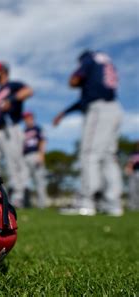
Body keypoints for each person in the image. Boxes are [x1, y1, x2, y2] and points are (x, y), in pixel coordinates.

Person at [53, 50, 123, 216]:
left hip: (99, 109)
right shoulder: (106, 61)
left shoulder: (90, 59)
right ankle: (113, 204)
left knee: (89, 153)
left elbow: (74, 80)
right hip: (114, 108)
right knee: (108, 156)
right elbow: (85, 99)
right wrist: (64, 112)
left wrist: (76, 78)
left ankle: (86, 202)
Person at [0, 62, 33, 207]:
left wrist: (11, 100)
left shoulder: (13, 85)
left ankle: (18, 197)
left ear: (2, 71)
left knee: (14, 162)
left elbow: (28, 91)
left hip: (11, 127)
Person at [23, 112, 49, 208]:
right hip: (25, 157)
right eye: (25, 118)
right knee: (24, 181)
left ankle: (42, 205)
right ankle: (25, 204)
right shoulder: (24, 131)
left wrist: (41, 155)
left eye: (28, 117)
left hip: (35, 154)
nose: (27, 119)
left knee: (39, 180)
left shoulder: (38, 128)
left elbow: (43, 141)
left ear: (32, 118)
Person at [125, 142, 139, 211]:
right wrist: (128, 169)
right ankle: (132, 206)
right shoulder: (133, 153)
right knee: (132, 190)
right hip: (134, 172)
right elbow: (130, 163)